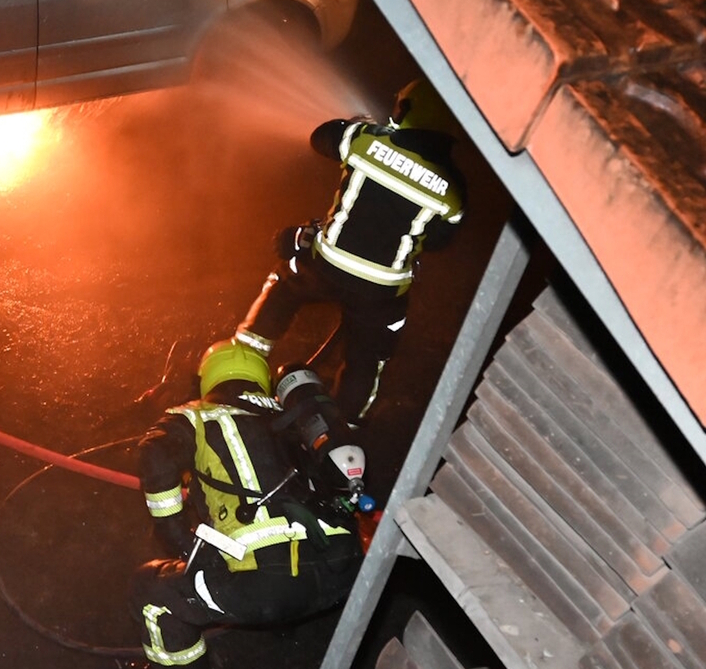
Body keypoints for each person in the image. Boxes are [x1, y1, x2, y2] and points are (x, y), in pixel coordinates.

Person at [234, 78, 466, 422]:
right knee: (368, 358)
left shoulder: (365, 139)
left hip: (327, 266)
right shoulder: (454, 189)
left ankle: (240, 367)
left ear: (405, 109)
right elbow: (438, 241)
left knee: (286, 283)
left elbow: (321, 137)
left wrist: (358, 124)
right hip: (383, 291)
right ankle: (345, 426)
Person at [131, 341, 364, 667]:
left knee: (151, 594)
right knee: (292, 583)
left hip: (264, 586)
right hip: (346, 572)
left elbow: (156, 454)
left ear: (208, 378)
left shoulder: (195, 414)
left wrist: (179, 539)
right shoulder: (299, 418)